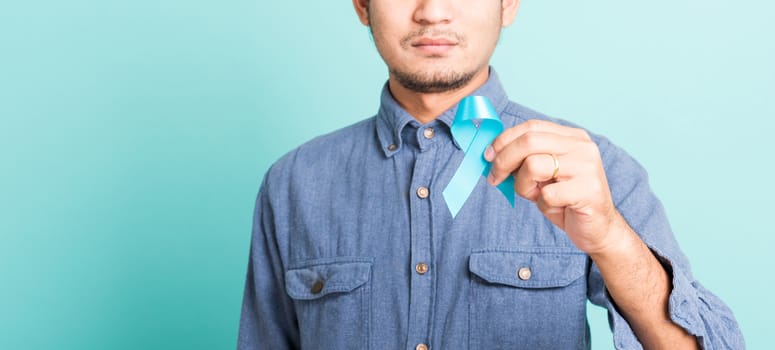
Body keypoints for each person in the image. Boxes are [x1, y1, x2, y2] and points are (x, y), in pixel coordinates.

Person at [238, 0, 744, 349]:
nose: (432, 12)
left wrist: (612, 239)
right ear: (361, 4)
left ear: (508, 3)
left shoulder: (593, 171)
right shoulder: (293, 184)